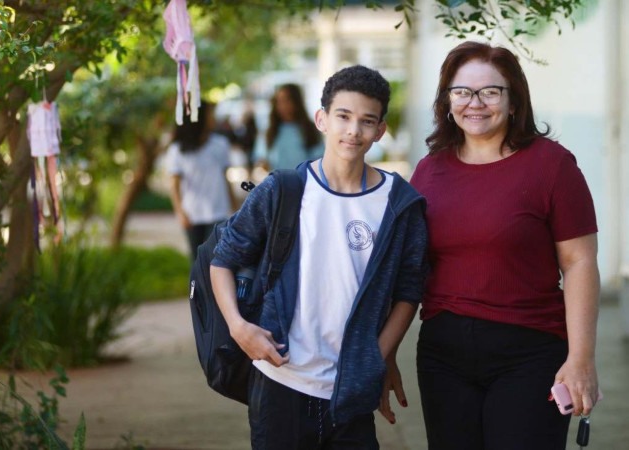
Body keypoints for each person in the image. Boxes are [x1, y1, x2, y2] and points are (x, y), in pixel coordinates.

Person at [210, 65, 428, 449]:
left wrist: (375, 358)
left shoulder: (399, 203)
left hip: (350, 389)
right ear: (322, 119)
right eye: (343, 116)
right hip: (281, 380)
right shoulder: (284, 189)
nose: (353, 131)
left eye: (367, 121)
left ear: (380, 130)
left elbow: (409, 291)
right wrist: (238, 326)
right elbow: (223, 260)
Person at [409, 41, 601, 450]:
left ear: (514, 102)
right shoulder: (428, 172)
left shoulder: (552, 165)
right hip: (443, 355)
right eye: (461, 91)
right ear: (446, 101)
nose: (474, 103)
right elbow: (409, 270)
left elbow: (580, 262)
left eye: (490, 92)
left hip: (530, 355)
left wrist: (581, 358)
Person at [166, 101, 236, 260]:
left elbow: (226, 179)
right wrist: (180, 212)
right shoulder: (177, 150)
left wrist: (235, 208)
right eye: (209, 114)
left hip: (219, 212)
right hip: (193, 214)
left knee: (217, 261)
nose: (213, 118)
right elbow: (174, 185)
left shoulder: (221, 144)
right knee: (197, 260)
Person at [256, 83, 324, 170]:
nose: (283, 106)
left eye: (287, 100)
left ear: (297, 102)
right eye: (279, 101)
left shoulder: (309, 130)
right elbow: (261, 158)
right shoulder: (269, 130)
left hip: (304, 182)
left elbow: (318, 159)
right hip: (277, 181)